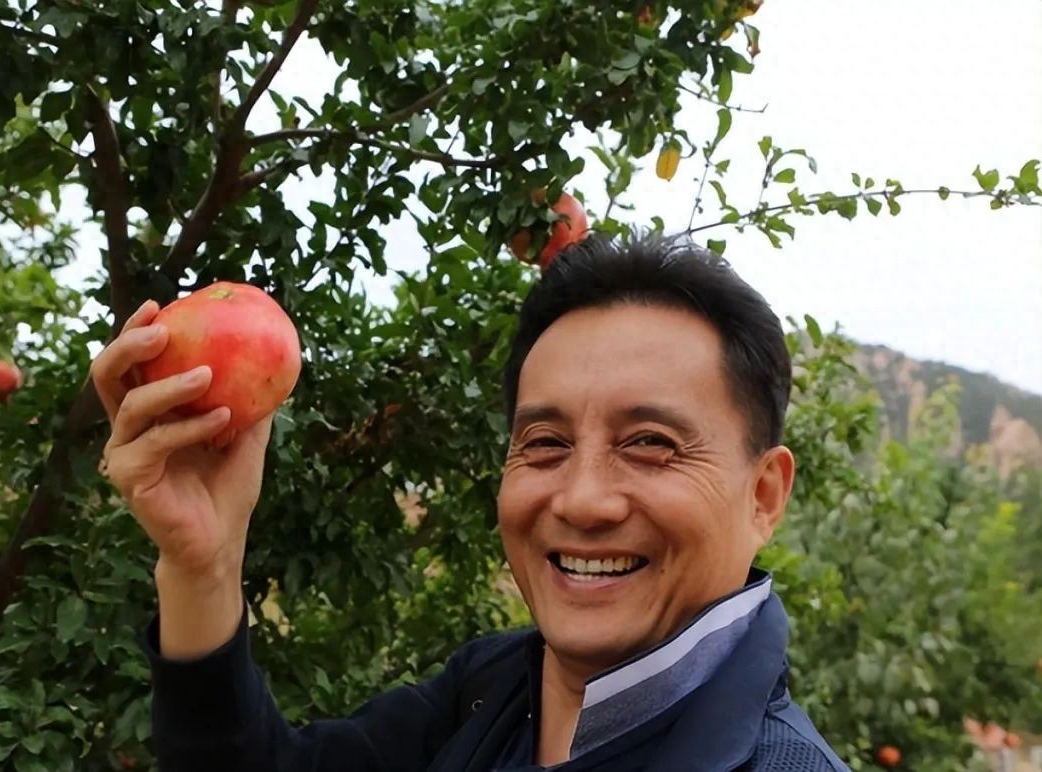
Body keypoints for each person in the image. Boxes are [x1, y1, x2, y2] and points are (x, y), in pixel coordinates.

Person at [94, 233, 849, 771]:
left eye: (650, 443)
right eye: (545, 443)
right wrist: (204, 565)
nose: (583, 500)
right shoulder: (492, 692)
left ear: (763, 496)